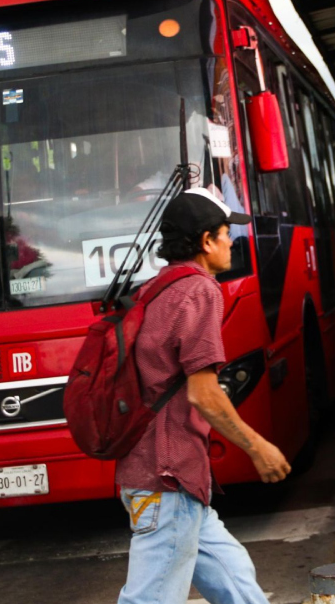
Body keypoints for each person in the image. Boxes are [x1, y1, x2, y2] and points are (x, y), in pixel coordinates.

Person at [115, 188, 291, 604]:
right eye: (227, 233)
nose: (233, 241)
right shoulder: (200, 291)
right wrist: (257, 446)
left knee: (235, 580)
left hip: (163, 475)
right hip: (167, 477)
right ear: (206, 241)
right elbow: (204, 393)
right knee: (151, 598)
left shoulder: (155, 288)